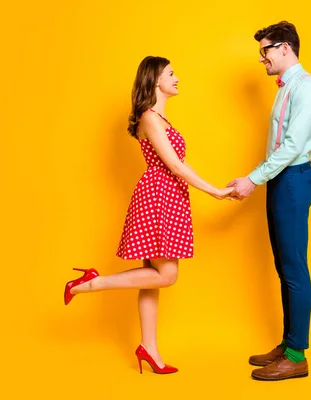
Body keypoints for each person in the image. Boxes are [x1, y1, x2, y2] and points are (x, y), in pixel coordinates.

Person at [63, 56, 234, 375]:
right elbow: (176, 166)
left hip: (168, 196)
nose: (177, 78)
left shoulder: (161, 119)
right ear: (155, 79)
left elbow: (178, 166)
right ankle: (91, 283)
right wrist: (216, 191)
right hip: (158, 197)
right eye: (171, 73)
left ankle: (149, 349)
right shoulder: (150, 118)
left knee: (153, 279)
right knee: (166, 275)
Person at [227, 21, 311, 381]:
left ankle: (297, 355)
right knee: (284, 267)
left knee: (295, 269)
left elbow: (293, 146)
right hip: (280, 181)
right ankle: (288, 343)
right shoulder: (284, 88)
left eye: (264, 51)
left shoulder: (308, 88)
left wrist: (253, 179)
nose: (261, 59)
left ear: (285, 48)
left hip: (293, 181)